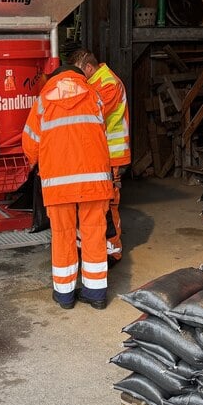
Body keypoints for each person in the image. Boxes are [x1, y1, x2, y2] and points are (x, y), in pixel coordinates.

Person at [22, 65, 113, 309]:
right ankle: (96, 295)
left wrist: (36, 162)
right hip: (94, 182)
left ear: (55, 78)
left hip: (58, 185)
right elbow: (101, 130)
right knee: (94, 233)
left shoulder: (43, 101)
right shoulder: (94, 95)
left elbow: (30, 143)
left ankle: (64, 295)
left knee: (63, 237)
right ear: (79, 76)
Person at [69, 48, 130, 264]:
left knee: (108, 205)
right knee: (93, 205)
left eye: (79, 72)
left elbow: (93, 113)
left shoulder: (107, 84)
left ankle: (112, 250)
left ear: (88, 67)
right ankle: (92, 246)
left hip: (111, 156)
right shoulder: (96, 82)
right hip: (100, 155)